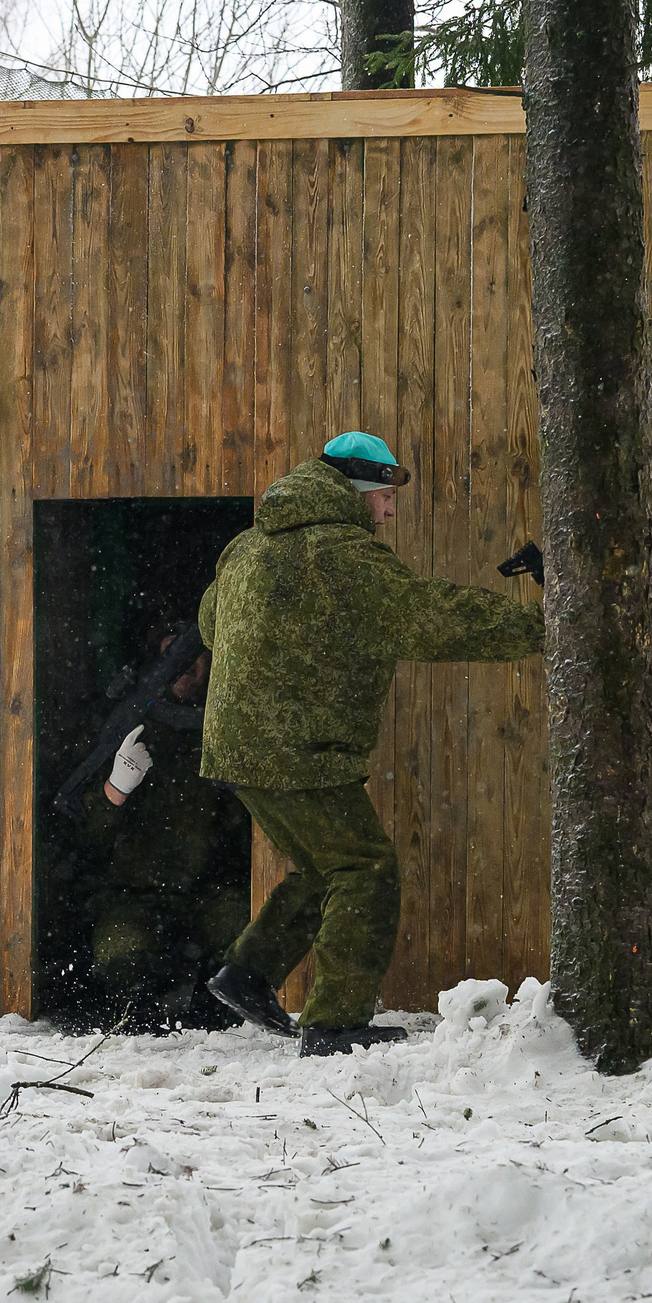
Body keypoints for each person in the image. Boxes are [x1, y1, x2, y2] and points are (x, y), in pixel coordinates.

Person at [195, 431, 547, 1056]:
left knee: (326, 864)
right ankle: (334, 1023)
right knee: (367, 870)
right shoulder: (341, 555)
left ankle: (247, 975)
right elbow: (429, 617)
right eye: (385, 497)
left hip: (236, 745)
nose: (388, 511)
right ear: (358, 489)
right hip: (297, 745)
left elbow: (209, 622)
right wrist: (541, 627)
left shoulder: (246, 547)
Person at [68, 629, 244, 1030]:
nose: (185, 667)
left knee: (241, 936)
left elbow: (243, 831)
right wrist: (114, 790)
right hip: (135, 895)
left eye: (195, 656)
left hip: (207, 892)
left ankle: (214, 1014)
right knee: (120, 955)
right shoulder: (127, 726)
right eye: (173, 655)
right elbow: (85, 837)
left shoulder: (224, 724)